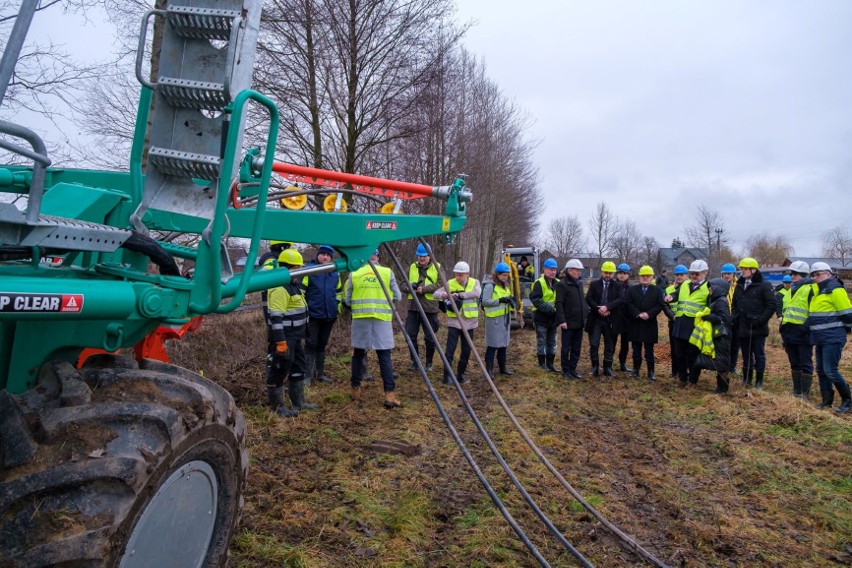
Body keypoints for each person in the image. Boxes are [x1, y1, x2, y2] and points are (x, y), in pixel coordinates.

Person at [344, 249, 403, 408]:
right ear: (378, 257)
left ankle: (355, 390)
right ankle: (389, 396)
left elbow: (347, 300)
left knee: (358, 355)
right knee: (384, 357)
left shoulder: (354, 273)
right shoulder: (387, 272)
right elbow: (398, 297)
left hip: (360, 320)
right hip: (382, 320)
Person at [266, 248, 317, 417]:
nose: (301, 271)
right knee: (279, 370)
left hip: (296, 337)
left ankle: (299, 402)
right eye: (298, 267)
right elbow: (276, 318)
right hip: (285, 338)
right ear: (289, 268)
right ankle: (278, 407)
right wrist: (280, 343)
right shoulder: (280, 288)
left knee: (298, 367)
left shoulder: (293, 285)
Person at [807, 262, 852, 413]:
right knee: (820, 370)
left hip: (833, 337)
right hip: (819, 338)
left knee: (830, 370)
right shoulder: (816, 291)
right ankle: (827, 401)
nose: (815, 278)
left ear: (828, 274)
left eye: (818, 274)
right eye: (813, 275)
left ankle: (847, 400)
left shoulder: (835, 289)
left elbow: (847, 314)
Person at [731, 257, 777, 389]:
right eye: (742, 269)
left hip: (757, 328)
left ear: (754, 270)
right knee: (746, 355)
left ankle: (759, 382)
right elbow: (734, 304)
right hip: (742, 327)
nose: (742, 271)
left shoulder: (764, 285)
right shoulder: (739, 285)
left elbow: (771, 305)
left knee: (759, 354)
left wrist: (760, 321)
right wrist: (735, 318)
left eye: (745, 269)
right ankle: (747, 379)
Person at [433, 261, 481, 384]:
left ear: (467, 274)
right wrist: (444, 294)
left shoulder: (474, 282)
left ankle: (461, 374)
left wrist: (459, 295)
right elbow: (435, 294)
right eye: (457, 274)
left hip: (469, 322)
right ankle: (447, 376)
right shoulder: (449, 283)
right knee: (450, 350)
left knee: (466, 350)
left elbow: (476, 293)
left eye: (461, 275)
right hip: (454, 321)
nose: (458, 277)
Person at [301, 245, 341, 385]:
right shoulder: (309, 270)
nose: (325, 257)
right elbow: (301, 293)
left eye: (328, 255)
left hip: (329, 315)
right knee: (310, 344)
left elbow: (338, 293)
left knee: (322, 344)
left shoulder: (335, 272)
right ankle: (307, 376)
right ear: (318, 255)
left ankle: (320, 374)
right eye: (323, 254)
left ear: (331, 257)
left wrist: (337, 309)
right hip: (312, 315)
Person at [403, 243, 441, 372]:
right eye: (419, 256)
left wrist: (424, 289)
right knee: (410, 335)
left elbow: (442, 284)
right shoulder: (411, 267)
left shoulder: (438, 267)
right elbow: (402, 283)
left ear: (430, 255)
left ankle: (429, 363)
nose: (422, 259)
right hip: (413, 308)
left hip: (430, 308)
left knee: (430, 337)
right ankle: (415, 362)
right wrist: (410, 287)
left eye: (424, 256)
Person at [672, 260, 710, 386]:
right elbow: (677, 294)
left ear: (705, 273)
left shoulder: (708, 288)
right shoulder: (685, 284)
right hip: (680, 323)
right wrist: (671, 297)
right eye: (692, 273)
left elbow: (710, 307)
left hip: (695, 326)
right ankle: (682, 378)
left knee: (692, 354)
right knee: (679, 353)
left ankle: (693, 379)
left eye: (697, 274)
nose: (694, 276)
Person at [779, 261, 815, 398]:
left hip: (804, 333)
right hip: (789, 332)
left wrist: (804, 328)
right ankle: (797, 390)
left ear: (804, 274)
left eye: (795, 274)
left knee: (805, 363)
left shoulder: (811, 289)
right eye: (791, 273)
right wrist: (782, 328)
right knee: (794, 362)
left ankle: (804, 393)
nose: (792, 276)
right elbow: (786, 310)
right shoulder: (791, 290)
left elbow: (814, 313)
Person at [625, 266, 664, 380]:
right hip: (635, 322)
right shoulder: (632, 290)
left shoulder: (657, 290)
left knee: (649, 350)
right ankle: (635, 370)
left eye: (648, 276)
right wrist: (637, 314)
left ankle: (651, 372)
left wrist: (649, 314)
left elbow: (660, 305)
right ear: (639, 277)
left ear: (652, 277)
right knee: (636, 348)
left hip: (649, 323)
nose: (645, 278)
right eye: (643, 276)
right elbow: (628, 303)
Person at [697, 278, 733, 394]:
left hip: (722, 336)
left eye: (711, 287)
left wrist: (708, 317)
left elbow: (724, 318)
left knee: (722, 362)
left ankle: (722, 388)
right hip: (719, 336)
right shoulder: (716, 300)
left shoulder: (721, 301)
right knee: (719, 361)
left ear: (718, 288)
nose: (709, 289)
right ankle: (721, 387)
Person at [585, 261, 620, 376]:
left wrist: (607, 308)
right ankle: (595, 367)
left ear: (613, 274)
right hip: (596, 319)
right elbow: (589, 299)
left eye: (610, 273)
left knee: (609, 344)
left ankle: (607, 367)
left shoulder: (617, 286)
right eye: (606, 272)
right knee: (594, 344)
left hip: (610, 319)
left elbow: (620, 300)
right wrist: (598, 309)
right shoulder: (594, 284)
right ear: (602, 272)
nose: (608, 275)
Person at [482, 262, 517, 377]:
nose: (505, 278)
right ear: (497, 275)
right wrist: (500, 300)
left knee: (503, 345)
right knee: (492, 345)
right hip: (493, 320)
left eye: (507, 275)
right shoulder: (489, 286)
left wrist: (512, 302)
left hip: (504, 320)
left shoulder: (505, 286)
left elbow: (506, 301)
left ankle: (503, 368)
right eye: (503, 275)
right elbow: (485, 302)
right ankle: (489, 370)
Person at [555, 259, 587, 379]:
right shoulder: (562, 284)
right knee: (566, 348)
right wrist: (562, 320)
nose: (577, 272)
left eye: (579, 270)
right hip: (568, 323)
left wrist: (585, 315)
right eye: (575, 270)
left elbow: (582, 301)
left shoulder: (579, 284)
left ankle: (573, 368)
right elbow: (559, 303)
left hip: (579, 322)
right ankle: (566, 370)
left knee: (576, 347)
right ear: (568, 270)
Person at [530, 258, 560, 372]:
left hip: (553, 318)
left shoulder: (557, 283)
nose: (553, 272)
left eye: (554, 270)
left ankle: (551, 364)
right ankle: (542, 364)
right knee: (542, 340)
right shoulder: (539, 283)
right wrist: (550, 310)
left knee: (552, 341)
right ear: (545, 270)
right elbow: (536, 299)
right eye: (551, 269)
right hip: (541, 317)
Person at [663, 265, 688, 378]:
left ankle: (686, 370)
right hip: (673, 322)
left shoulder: (690, 288)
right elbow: (665, 306)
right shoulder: (669, 289)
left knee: (687, 348)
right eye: (677, 275)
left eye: (681, 275)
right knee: (674, 349)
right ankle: (675, 372)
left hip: (687, 322)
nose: (679, 277)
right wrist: (673, 317)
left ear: (686, 276)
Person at [720, 263, 741, 376]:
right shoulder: (718, 286)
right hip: (722, 319)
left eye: (729, 274)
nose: (727, 276)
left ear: (733, 274)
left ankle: (732, 367)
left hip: (735, 320)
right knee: (723, 345)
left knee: (734, 345)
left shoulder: (739, 286)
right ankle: (723, 366)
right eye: (725, 274)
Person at [612, 263, 633, 373]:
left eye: (624, 273)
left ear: (628, 275)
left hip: (627, 319)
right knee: (612, 342)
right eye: (620, 273)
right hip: (615, 318)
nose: (622, 275)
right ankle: (609, 362)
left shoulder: (631, 288)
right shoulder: (612, 286)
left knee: (625, 344)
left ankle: (622, 363)